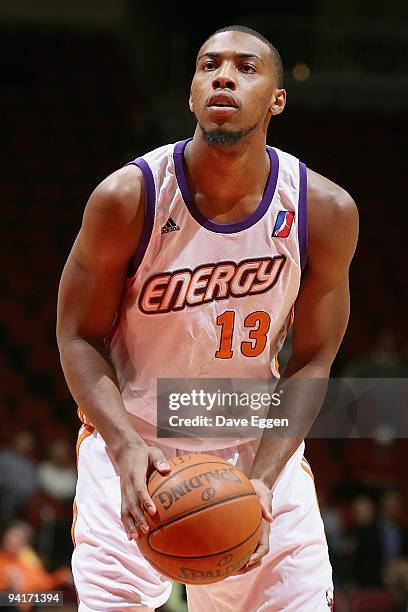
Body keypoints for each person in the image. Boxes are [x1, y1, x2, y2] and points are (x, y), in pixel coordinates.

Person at [56, 24, 358, 611]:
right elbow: (76, 335)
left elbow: (314, 358)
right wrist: (122, 447)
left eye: (246, 67)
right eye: (208, 65)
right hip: (137, 437)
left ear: (278, 97)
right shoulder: (127, 198)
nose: (223, 75)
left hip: (255, 436)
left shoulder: (323, 211)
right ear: (192, 94)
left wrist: (266, 480)